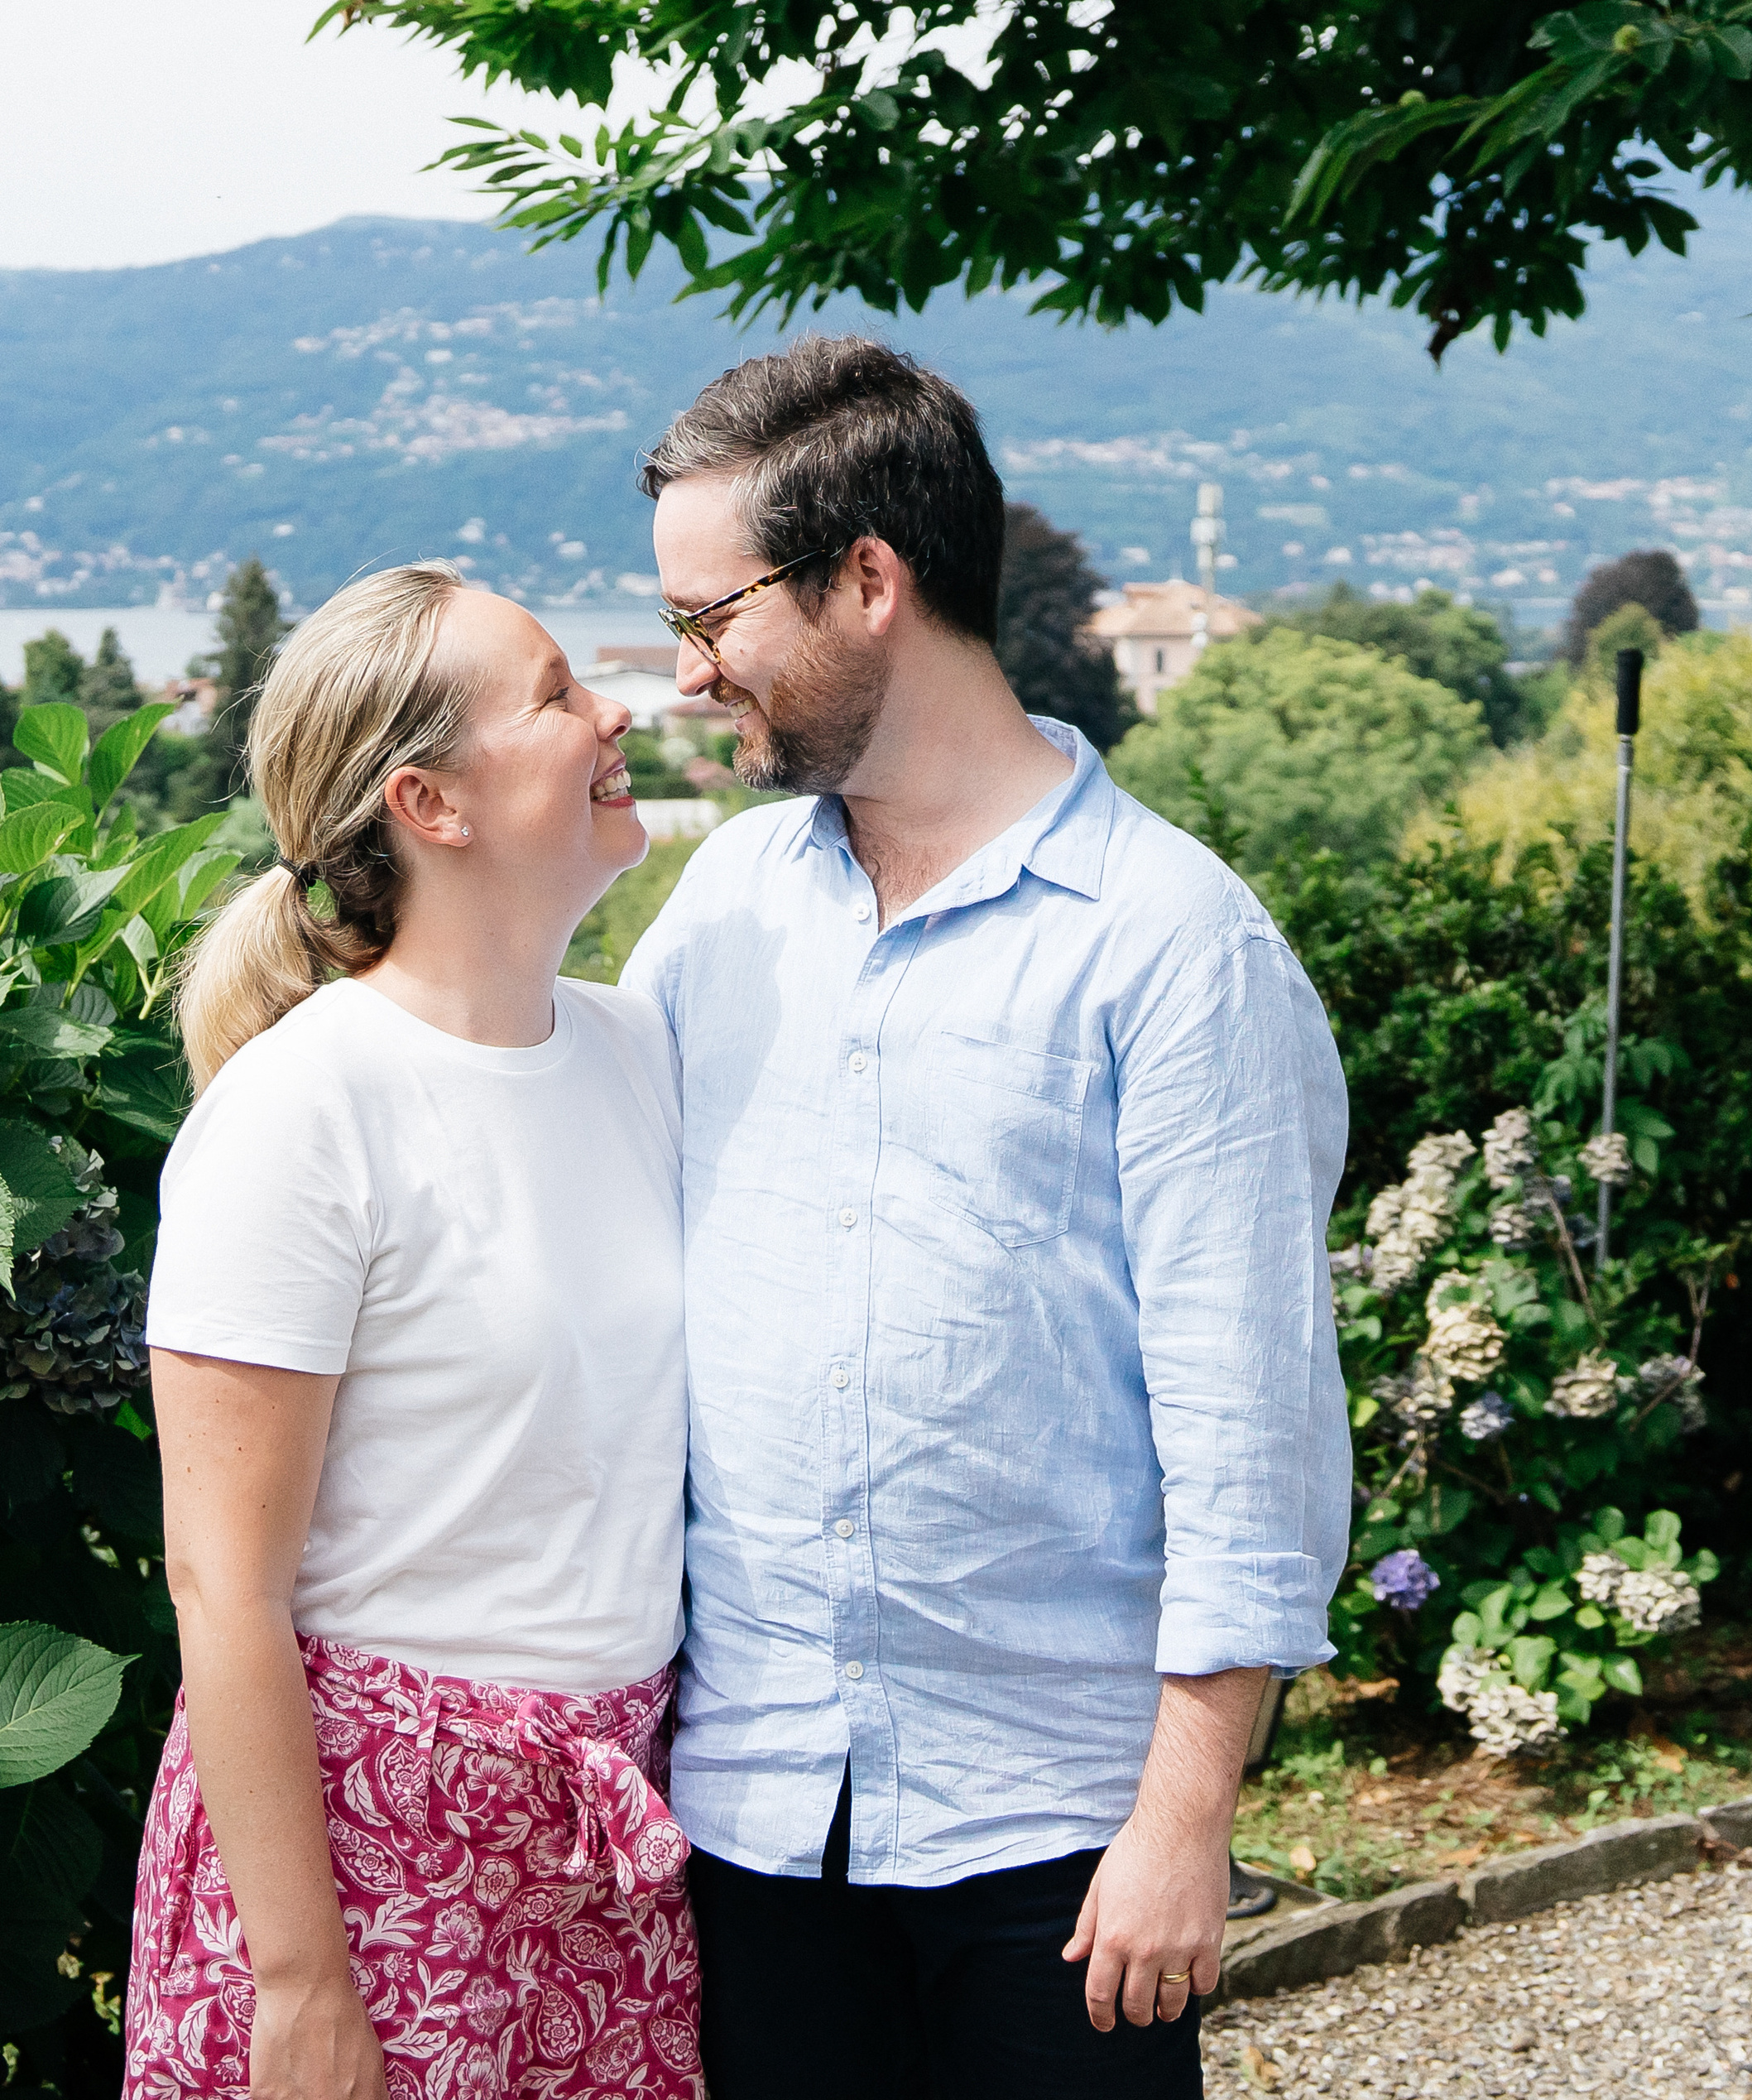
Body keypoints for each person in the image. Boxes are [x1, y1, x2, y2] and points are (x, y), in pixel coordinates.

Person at [622, 339, 1351, 2098]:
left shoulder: (1174, 949)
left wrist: (1185, 1820)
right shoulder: (720, 904)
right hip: (749, 1810)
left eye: (709, 618)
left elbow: (1245, 1429)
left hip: (1055, 1838)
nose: (681, 670)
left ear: (866, 581)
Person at [126, 565, 703, 2100]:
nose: (614, 711)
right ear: (430, 801)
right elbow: (221, 1582)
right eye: (560, 694)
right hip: (362, 1875)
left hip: (603, 1853)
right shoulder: (302, 1112)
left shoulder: (639, 1052)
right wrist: (300, 1978)